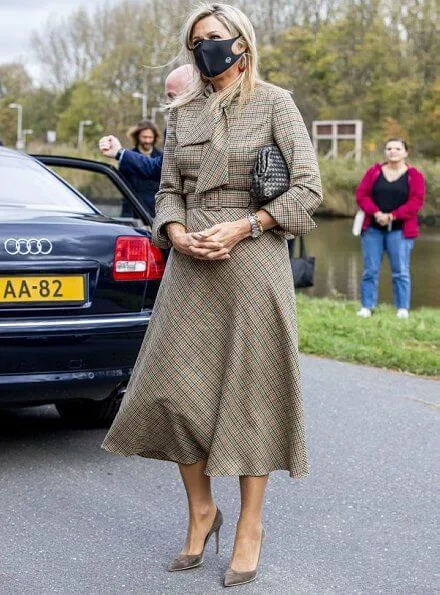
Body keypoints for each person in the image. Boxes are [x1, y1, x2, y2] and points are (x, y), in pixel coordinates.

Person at [102, 3, 322, 588]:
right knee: (172, 391)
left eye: (215, 38)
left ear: (242, 44)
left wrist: (247, 225)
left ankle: (250, 525)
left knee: (252, 394)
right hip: (191, 264)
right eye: (197, 40)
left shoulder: (275, 102)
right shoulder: (180, 112)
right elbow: (168, 188)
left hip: (254, 259)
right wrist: (173, 233)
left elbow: (308, 189)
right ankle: (203, 509)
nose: (206, 49)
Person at [98, 65, 196, 216]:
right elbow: (158, 170)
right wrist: (119, 153)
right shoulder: (173, 129)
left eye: (171, 96)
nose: (168, 103)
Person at [355, 138, 425, 319]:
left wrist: (392, 215)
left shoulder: (414, 175)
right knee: (370, 270)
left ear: (405, 152)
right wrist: (376, 213)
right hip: (373, 229)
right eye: (389, 148)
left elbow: (416, 202)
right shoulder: (374, 172)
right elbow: (361, 195)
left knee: (400, 271)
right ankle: (367, 307)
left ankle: (402, 308)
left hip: (401, 230)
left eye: (397, 148)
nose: (393, 151)